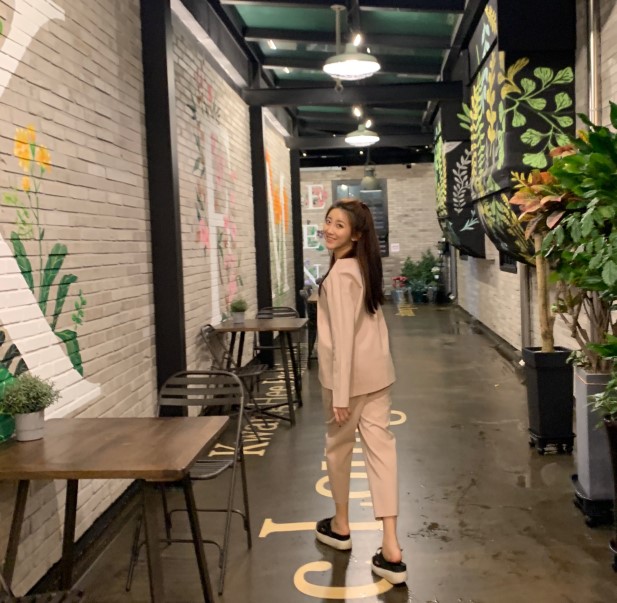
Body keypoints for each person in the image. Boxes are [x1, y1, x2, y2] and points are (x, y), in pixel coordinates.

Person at [314, 199, 407, 585]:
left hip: (347, 382)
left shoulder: (339, 276)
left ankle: (341, 525)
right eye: (328, 221)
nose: (329, 229)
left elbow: (342, 339)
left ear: (355, 234)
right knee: (382, 453)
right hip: (378, 375)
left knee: (339, 450)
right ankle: (391, 546)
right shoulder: (365, 268)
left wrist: (340, 393)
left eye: (339, 225)